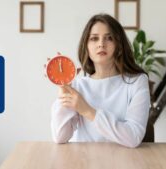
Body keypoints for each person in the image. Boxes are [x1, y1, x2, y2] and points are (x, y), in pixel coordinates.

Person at [51, 13, 150, 148]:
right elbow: (60, 137)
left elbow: (133, 137)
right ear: (86, 46)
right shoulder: (78, 86)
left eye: (109, 38)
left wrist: (87, 110)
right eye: (94, 38)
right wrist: (63, 89)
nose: (101, 44)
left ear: (119, 45)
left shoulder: (137, 82)